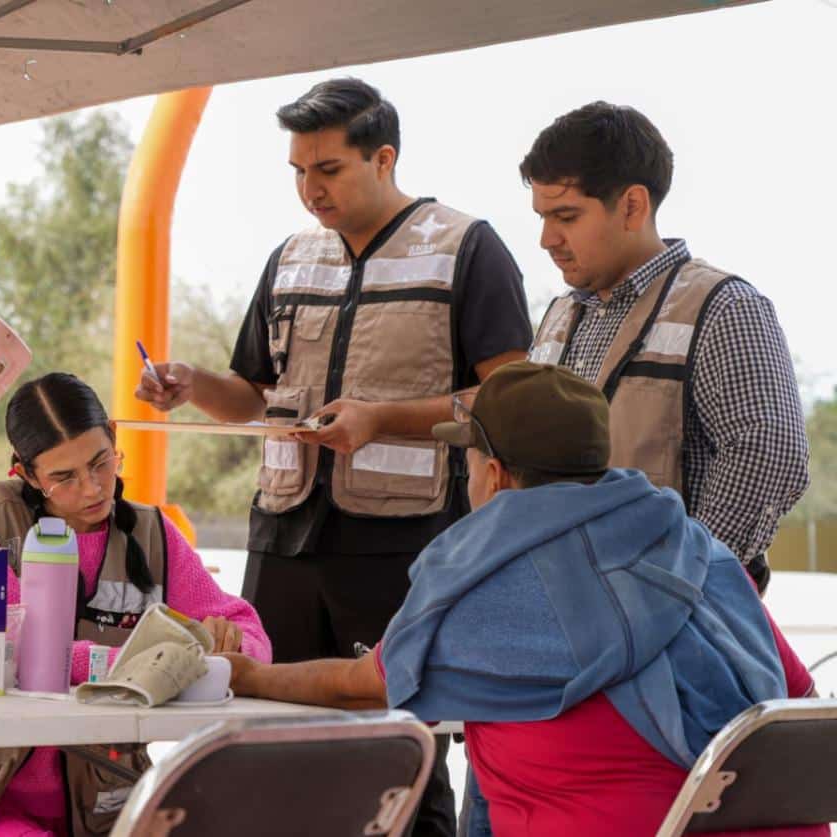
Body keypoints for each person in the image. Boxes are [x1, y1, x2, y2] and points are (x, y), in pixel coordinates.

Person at [135, 78, 533, 834]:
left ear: (383, 159)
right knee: (262, 734)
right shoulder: (289, 258)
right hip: (285, 539)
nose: (309, 189)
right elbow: (252, 393)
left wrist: (381, 418)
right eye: (297, 171)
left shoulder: (465, 249)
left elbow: (512, 400)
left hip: (404, 545)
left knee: (398, 751)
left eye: (328, 170)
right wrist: (190, 384)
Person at [224, 361, 823, 837]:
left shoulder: (485, 582)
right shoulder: (699, 552)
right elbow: (798, 703)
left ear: (496, 473)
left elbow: (360, 685)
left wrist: (249, 675)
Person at [0, 372, 271, 837]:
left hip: (100, 808)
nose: (93, 488)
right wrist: (158, 665)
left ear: (114, 438)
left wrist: (227, 646)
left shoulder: (152, 535)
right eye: (64, 477)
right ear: (26, 473)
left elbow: (249, 636)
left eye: (101, 463)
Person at [523, 101, 809, 595]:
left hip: (669, 622)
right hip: (566, 599)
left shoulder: (723, 307)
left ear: (633, 205)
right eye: (543, 216)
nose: (547, 238)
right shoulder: (561, 315)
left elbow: (769, 451)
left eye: (565, 215)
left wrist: (678, 576)